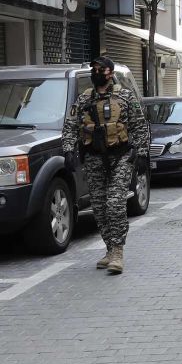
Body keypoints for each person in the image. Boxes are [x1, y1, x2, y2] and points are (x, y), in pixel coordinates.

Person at [61, 56, 150, 275]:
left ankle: (118, 252)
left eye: (100, 69)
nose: (96, 73)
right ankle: (109, 248)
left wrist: (141, 154)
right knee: (99, 207)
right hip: (93, 158)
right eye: (94, 69)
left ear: (110, 73)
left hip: (120, 156)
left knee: (114, 203)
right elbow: (71, 125)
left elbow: (140, 126)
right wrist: (68, 149)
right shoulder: (84, 99)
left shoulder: (125, 96)